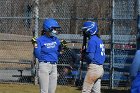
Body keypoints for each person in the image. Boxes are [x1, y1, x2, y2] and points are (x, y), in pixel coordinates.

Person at [33, 18, 62, 93]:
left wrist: (61, 49)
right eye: (54, 28)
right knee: (44, 90)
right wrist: (35, 46)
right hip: (44, 65)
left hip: (54, 65)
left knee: (52, 91)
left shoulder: (56, 39)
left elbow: (58, 54)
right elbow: (37, 54)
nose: (56, 30)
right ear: (48, 28)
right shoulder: (40, 40)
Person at [81, 21, 105, 93]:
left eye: (85, 30)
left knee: (85, 91)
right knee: (96, 91)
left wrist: (84, 54)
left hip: (94, 69)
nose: (84, 32)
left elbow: (90, 57)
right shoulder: (99, 39)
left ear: (90, 30)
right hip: (100, 68)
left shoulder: (92, 40)